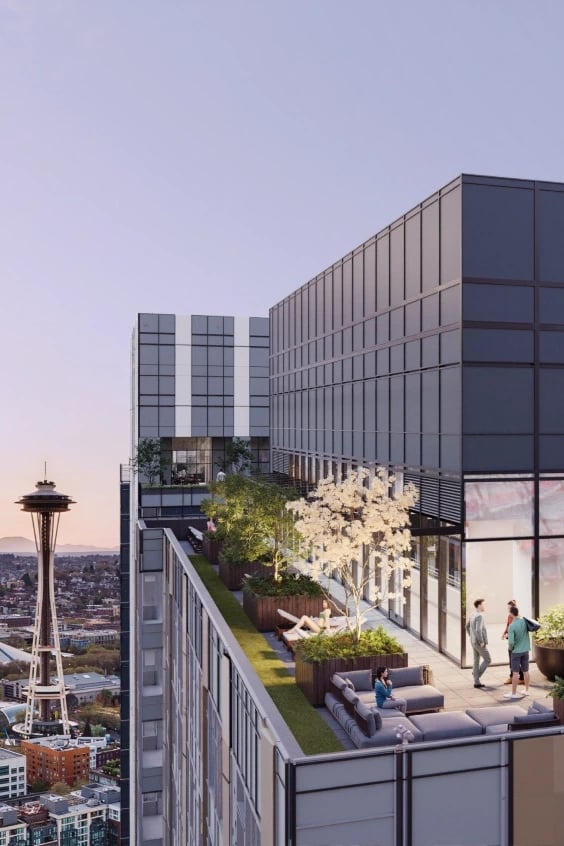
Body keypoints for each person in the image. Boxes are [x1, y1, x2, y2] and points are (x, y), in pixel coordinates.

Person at [504, 605, 530, 699]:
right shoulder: (524, 621)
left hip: (516, 652)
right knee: (526, 671)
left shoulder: (512, 626)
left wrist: (511, 648)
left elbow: (511, 642)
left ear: (511, 614)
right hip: (525, 650)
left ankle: (514, 694)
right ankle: (526, 690)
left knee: (515, 673)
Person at [466, 598, 491, 689]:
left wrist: (471, 636)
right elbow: (478, 630)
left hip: (473, 641)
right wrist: (481, 641)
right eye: (484, 604)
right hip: (479, 643)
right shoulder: (479, 616)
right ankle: (476, 676)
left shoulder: (472, 614)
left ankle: (476, 682)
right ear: (479, 605)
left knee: (476, 660)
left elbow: (467, 627)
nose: (485, 606)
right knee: (488, 659)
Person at [502, 599, 524, 685]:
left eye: (509, 608)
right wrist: (504, 633)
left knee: (515, 660)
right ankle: (512, 677)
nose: (508, 610)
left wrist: (509, 635)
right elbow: (508, 625)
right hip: (511, 640)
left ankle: (521, 678)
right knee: (512, 660)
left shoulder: (519, 618)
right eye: (507, 608)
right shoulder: (509, 616)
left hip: (516, 642)